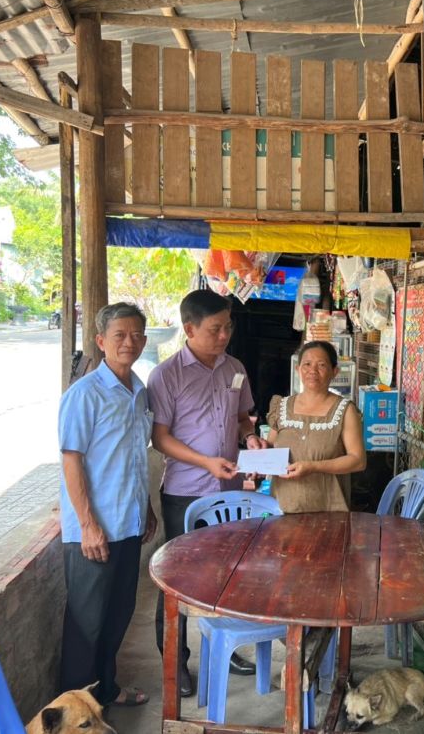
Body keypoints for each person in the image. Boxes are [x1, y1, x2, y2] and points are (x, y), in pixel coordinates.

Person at [147, 289, 268, 694]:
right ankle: (175, 663)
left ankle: (223, 644)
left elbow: (242, 418)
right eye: (215, 329)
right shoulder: (166, 375)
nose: (224, 336)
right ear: (189, 328)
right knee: (177, 578)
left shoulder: (235, 367)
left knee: (226, 573)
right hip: (186, 492)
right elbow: (161, 438)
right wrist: (205, 462)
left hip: (228, 488)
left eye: (227, 327)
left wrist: (250, 438)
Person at [58, 302, 157, 708]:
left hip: (128, 525)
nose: (128, 342)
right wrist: (87, 524)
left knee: (117, 617)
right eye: (119, 335)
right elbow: (71, 460)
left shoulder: (139, 391)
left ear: (145, 341)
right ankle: (74, 715)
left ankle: (106, 692)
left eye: (135, 335)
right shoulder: (84, 394)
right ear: (101, 341)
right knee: (87, 627)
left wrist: (146, 507)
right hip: (94, 530)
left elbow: (133, 457)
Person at [265, 341, 366, 513]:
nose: (313, 370)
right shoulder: (282, 406)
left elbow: (358, 461)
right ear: (298, 369)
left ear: (334, 372)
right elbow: (270, 448)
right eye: (307, 364)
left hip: (329, 510)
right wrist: (256, 459)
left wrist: (313, 467)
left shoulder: (344, 410)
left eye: (321, 365)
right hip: (282, 507)